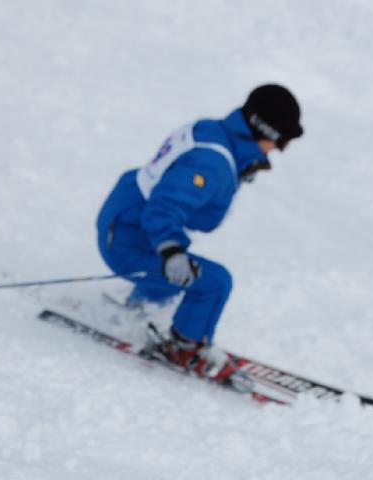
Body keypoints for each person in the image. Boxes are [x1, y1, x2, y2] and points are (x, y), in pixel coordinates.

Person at [96, 84, 303, 381]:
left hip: (124, 221)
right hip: (129, 238)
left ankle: (141, 308)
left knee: (177, 274)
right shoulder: (212, 165)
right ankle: (185, 349)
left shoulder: (214, 132)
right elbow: (163, 208)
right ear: (264, 131)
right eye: (280, 143)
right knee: (214, 282)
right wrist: (171, 251)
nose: (277, 150)